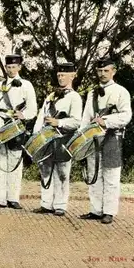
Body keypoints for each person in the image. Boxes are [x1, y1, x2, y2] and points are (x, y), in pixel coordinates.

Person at [78, 57, 132, 224]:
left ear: (113, 71)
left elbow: (126, 116)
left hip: (111, 138)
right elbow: (86, 117)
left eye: (106, 71)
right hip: (93, 138)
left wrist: (106, 121)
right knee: (94, 173)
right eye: (100, 71)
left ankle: (109, 211)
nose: (102, 74)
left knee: (111, 175)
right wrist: (82, 136)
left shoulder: (121, 91)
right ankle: (95, 209)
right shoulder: (92, 93)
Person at [0, 54, 38, 209]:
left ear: (19, 67)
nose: (11, 70)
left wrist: (23, 115)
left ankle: (13, 198)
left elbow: (33, 108)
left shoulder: (26, 85)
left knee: (14, 162)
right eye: (9, 67)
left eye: (14, 67)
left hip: (15, 126)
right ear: (5, 68)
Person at [31, 62, 83, 216]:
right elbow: (41, 116)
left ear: (72, 76)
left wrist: (59, 122)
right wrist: (36, 135)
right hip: (46, 138)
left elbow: (76, 122)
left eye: (64, 75)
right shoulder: (51, 96)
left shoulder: (75, 98)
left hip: (63, 138)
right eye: (59, 75)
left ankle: (60, 205)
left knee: (62, 172)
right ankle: (46, 204)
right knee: (45, 169)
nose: (60, 78)